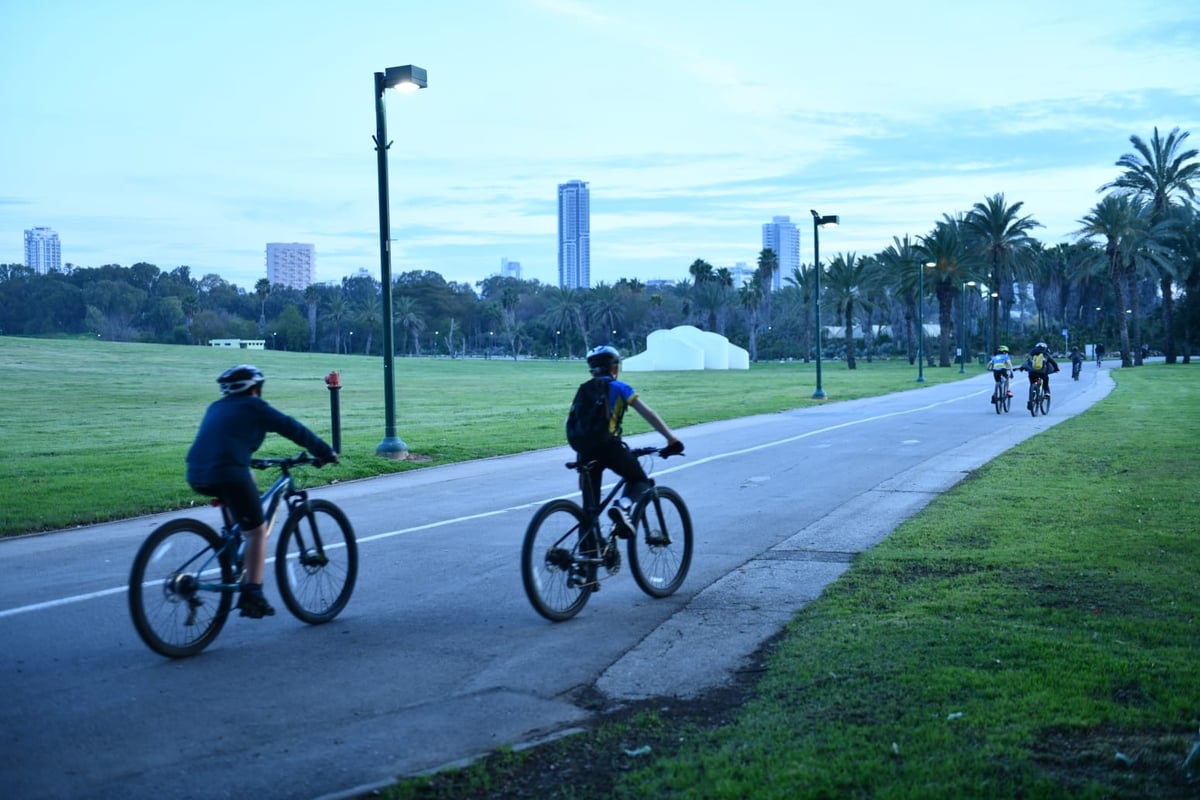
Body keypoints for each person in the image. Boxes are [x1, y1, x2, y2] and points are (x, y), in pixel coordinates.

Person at [186, 365, 339, 619]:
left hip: (197, 473)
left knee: (247, 480)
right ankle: (252, 595)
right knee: (257, 533)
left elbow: (223, 441)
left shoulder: (215, 407)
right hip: (229, 472)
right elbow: (292, 428)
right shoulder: (255, 406)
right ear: (255, 389)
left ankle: (234, 548)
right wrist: (324, 451)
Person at [571, 346, 683, 540]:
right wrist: (671, 439)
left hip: (585, 451)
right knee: (640, 480)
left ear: (592, 371)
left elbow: (576, 424)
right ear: (614, 368)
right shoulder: (620, 387)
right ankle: (622, 507)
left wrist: (581, 463)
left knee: (589, 511)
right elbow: (648, 413)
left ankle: (583, 562)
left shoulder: (584, 390)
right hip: (609, 448)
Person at [1017, 342, 1059, 409]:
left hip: (1032, 372)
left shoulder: (1032, 354)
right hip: (1042, 373)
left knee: (1032, 383)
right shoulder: (1045, 354)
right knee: (1046, 379)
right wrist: (1056, 369)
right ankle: (1046, 392)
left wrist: (1022, 368)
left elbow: (1026, 363)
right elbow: (1053, 362)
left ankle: (1032, 396)